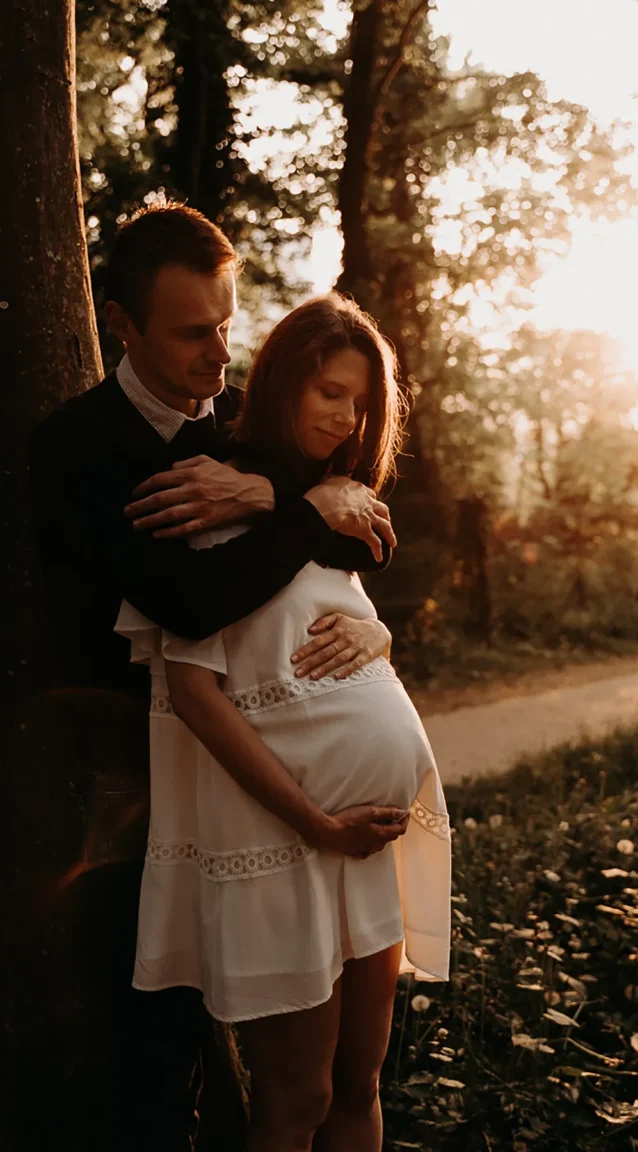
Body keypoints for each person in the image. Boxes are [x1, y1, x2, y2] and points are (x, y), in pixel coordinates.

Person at [27, 202, 405, 1152]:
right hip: (127, 786)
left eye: (228, 325)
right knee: (146, 1057)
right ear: (122, 323)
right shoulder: (78, 447)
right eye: (192, 333)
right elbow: (189, 603)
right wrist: (301, 502)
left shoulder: (242, 429)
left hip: (267, 776)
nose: (217, 353)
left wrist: (292, 499)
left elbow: (358, 541)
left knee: (301, 1076)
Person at [114, 293, 452, 1152]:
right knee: (294, 1099)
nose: (345, 419)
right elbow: (193, 692)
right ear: (284, 382)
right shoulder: (207, 499)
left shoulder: (330, 507)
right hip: (285, 846)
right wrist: (314, 820)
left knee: (358, 1085)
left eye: (361, 403)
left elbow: (344, 612)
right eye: (328, 393)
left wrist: (380, 630)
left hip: (364, 850)